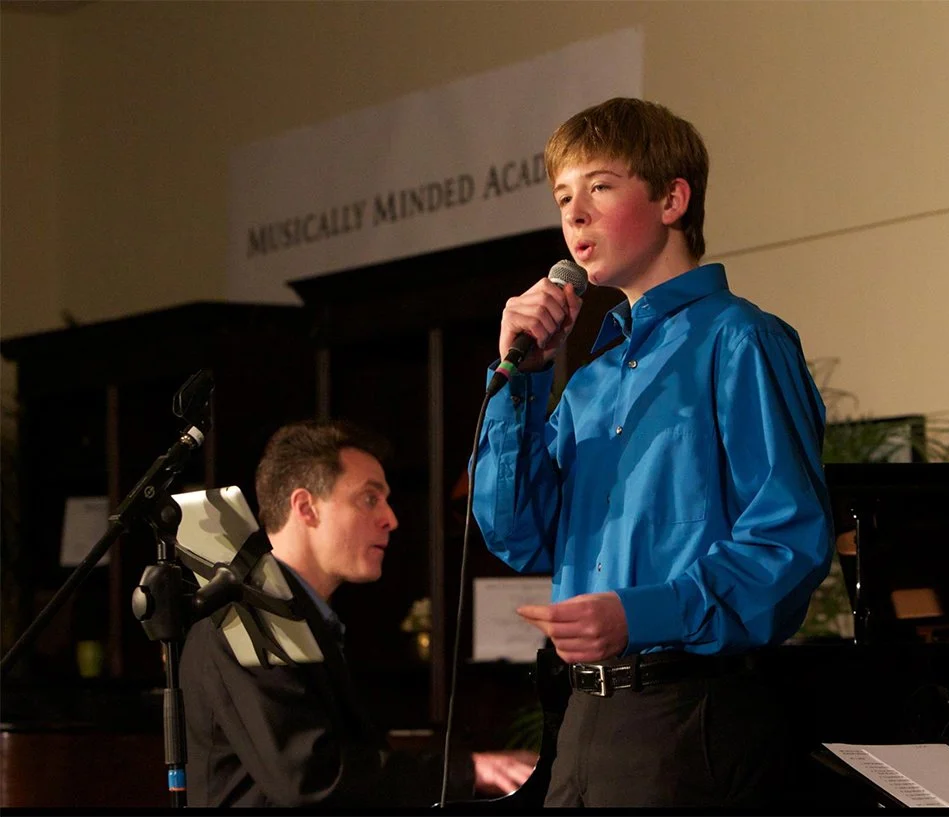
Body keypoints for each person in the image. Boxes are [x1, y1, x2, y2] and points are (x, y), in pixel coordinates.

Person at [470, 97, 835, 807]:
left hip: (686, 714)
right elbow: (516, 535)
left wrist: (644, 613)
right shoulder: (591, 380)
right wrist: (523, 380)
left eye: (600, 187)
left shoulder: (740, 340)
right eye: (563, 197)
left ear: (672, 198)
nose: (574, 215)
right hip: (582, 719)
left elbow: (787, 541)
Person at [180, 420, 536, 807]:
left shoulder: (298, 615)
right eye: (370, 499)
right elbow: (311, 776)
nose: (391, 519)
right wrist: (470, 772)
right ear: (305, 507)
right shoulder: (249, 616)